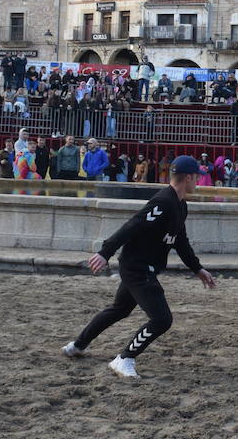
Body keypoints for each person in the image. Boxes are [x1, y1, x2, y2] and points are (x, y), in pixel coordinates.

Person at [62, 155, 216, 379]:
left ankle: (77, 345)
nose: (199, 182)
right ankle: (124, 359)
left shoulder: (180, 205)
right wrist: (106, 252)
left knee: (119, 309)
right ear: (189, 177)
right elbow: (132, 225)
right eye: (197, 178)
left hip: (142, 266)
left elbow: (180, 241)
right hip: (138, 268)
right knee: (162, 319)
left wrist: (197, 269)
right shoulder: (164, 202)